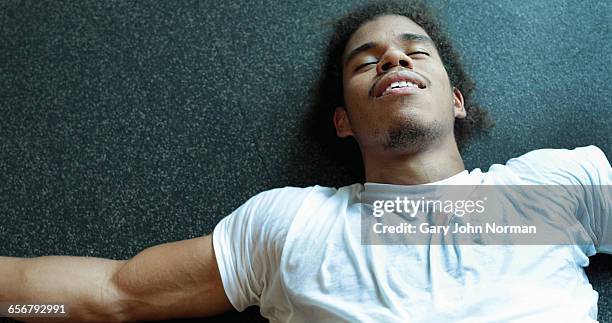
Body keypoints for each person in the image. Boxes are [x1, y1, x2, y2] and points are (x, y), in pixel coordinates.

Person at [1, 0, 610, 322]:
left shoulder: (554, 186)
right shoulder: (293, 227)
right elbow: (111, 295)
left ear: (456, 101)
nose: (394, 61)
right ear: (342, 120)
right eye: (366, 60)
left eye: (413, 51)